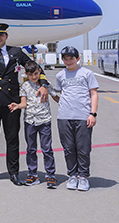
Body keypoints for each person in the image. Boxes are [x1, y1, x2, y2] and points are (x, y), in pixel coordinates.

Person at [0, 23, 49, 186]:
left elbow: (35, 67)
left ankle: (14, 173)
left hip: (12, 103)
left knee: (12, 138)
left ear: (6, 36)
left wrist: (43, 84)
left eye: (1, 35)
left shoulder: (16, 52)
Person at [8, 60, 60, 188]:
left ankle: (51, 175)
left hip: (44, 121)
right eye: (30, 74)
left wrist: (68, 104)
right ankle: (33, 174)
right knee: (31, 149)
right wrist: (17, 106)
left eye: (36, 73)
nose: (34, 77)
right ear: (26, 74)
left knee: (47, 149)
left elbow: (56, 97)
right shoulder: (25, 86)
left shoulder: (45, 85)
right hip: (30, 121)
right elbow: (24, 103)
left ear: (40, 72)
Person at [55, 46, 99, 192]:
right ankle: (73, 175)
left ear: (77, 59)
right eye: (65, 59)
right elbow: (62, 94)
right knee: (68, 148)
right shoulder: (60, 75)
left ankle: (83, 176)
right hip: (64, 116)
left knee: (83, 148)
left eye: (71, 58)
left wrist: (93, 114)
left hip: (83, 116)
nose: (68, 61)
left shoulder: (87, 73)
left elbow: (93, 93)